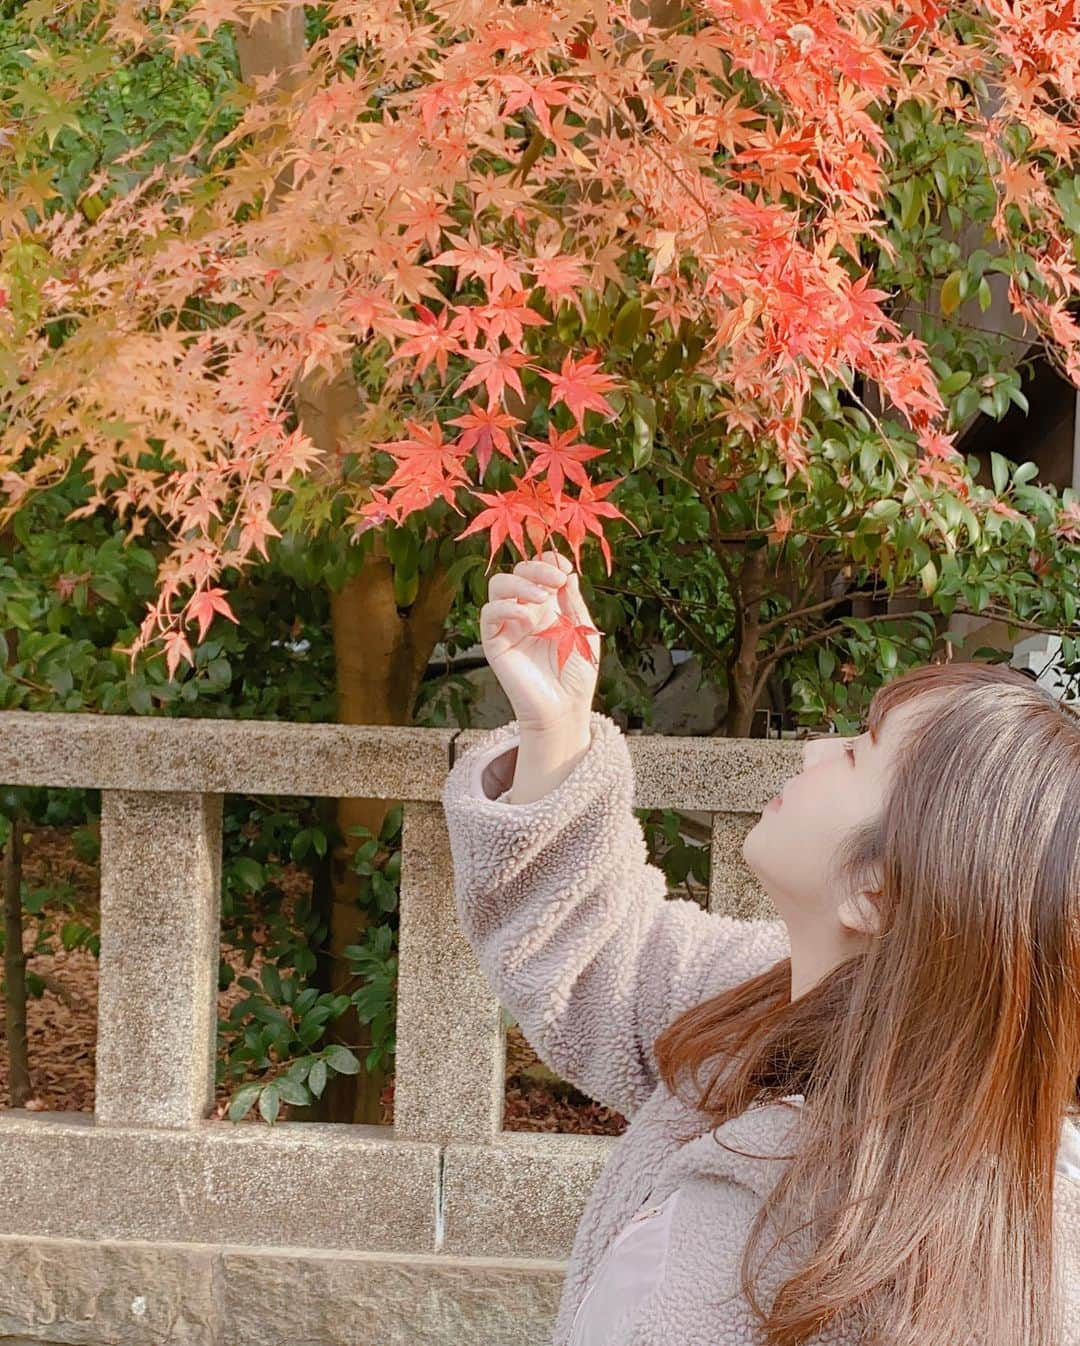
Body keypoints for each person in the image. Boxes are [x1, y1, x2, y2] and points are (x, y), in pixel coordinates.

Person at [440, 549, 1080, 1346]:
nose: (813, 749)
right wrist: (556, 730)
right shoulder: (770, 1007)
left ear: (875, 890)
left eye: (854, 752)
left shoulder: (762, 1218)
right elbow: (603, 950)